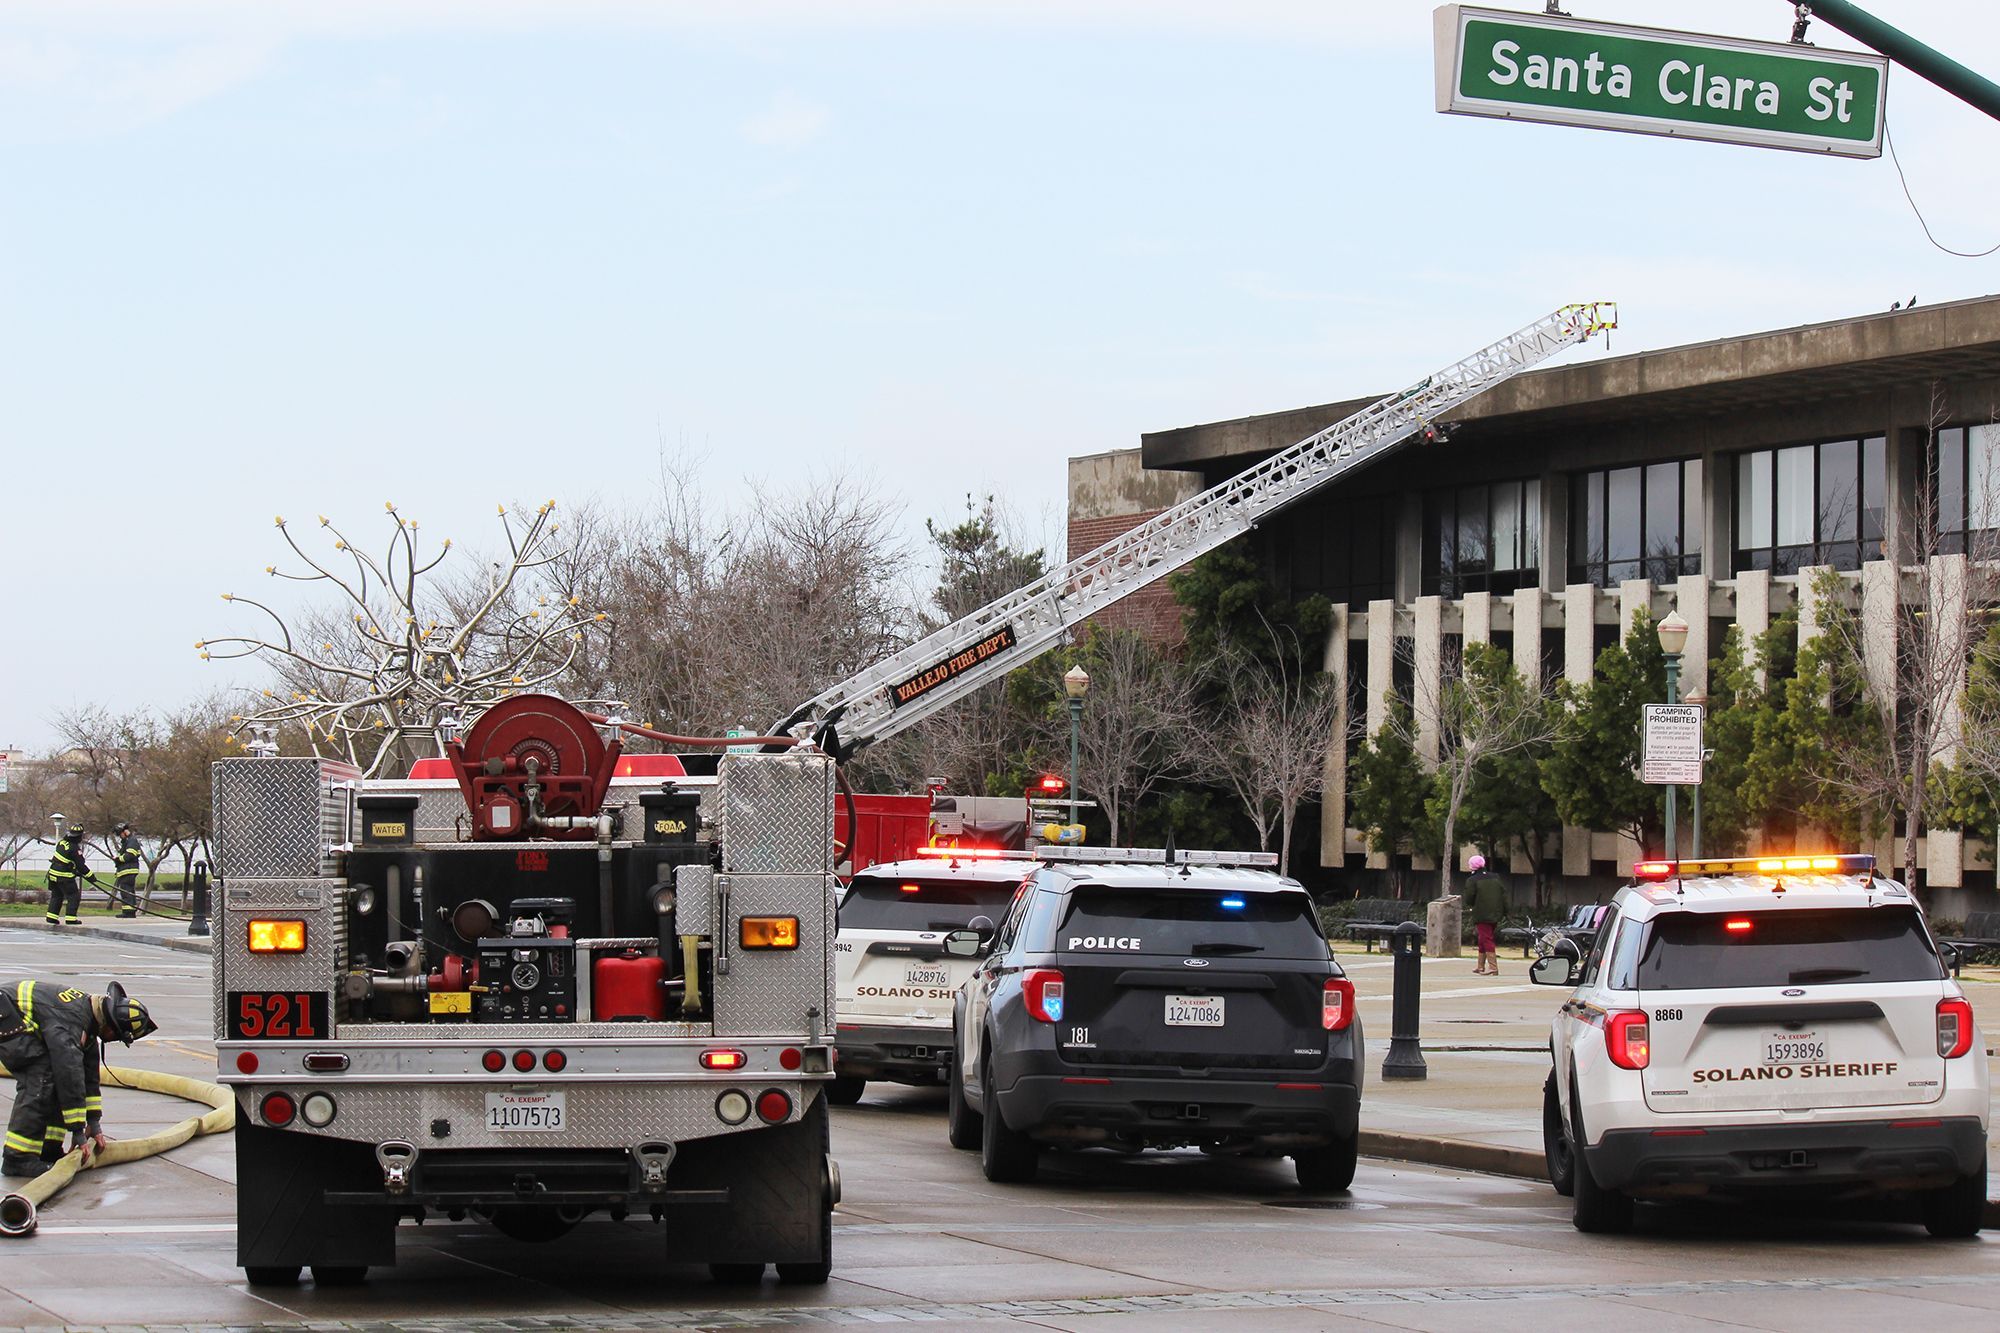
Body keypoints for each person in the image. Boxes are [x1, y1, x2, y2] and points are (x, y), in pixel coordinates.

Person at [0, 980, 158, 1178]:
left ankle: (49, 1149)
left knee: (53, 1075)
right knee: (42, 1077)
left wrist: (93, 1121)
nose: (111, 1038)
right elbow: (69, 1075)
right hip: (5, 1013)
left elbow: (89, 1076)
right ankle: (17, 1159)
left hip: (11, 1014)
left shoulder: (90, 1019)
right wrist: (77, 1131)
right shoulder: (73, 1022)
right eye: (115, 1035)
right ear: (111, 1026)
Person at [1464, 854, 1509, 977]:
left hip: (1482, 913)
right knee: (1483, 937)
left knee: (1486, 938)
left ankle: (1493, 967)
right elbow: (1504, 895)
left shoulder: (1472, 880)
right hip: (1496, 912)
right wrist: (1506, 911)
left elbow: (1469, 898)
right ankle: (1480, 966)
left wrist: (1471, 904)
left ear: (1472, 866)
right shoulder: (1495, 877)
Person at [44, 826, 87, 927]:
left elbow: (65, 860)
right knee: (73, 896)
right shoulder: (75, 848)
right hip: (64, 877)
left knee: (57, 895)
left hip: (53, 874)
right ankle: (71, 919)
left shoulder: (61, 843)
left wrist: (74, 870)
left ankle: (51, 917)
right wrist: (90, 876)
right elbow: (81, 865)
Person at [112, 822, 142, 919]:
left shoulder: (131, 841)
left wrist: (118, 859)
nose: (120, 837)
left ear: (124, 832)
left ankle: (128, 912)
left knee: (126, 892)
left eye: (120, 834)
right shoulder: (129, 841)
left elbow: (129, 855)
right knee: (128, 891)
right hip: (127, 870)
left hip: (128, 871)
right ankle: (130, 911)